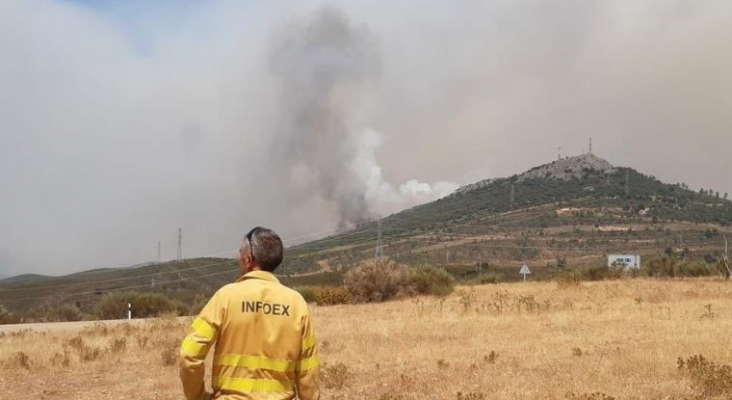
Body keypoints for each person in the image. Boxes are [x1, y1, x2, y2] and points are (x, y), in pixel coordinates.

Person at [179, 227, 320, 400]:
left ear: (248, 259)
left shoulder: (226, 297)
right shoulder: (297, 304)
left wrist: (199, 397)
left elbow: (189, 355)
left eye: (240, 254)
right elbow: (309, 370)